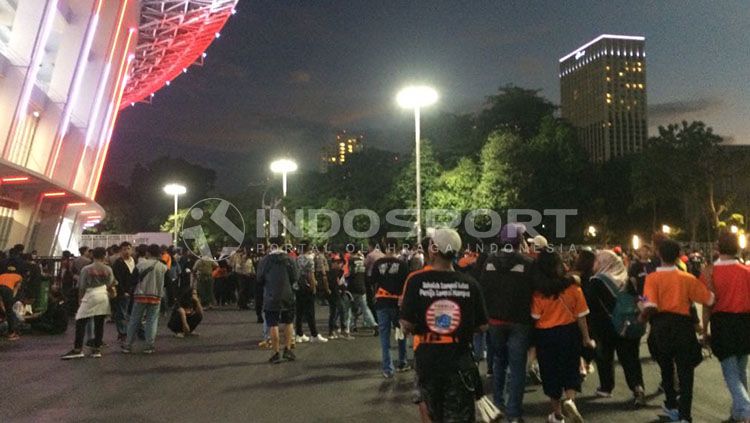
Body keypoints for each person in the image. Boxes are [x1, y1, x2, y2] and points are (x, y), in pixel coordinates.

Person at [400, 229, 488, 423]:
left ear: (433, 249)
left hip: (428, 359)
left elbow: (406, 323)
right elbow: (482, 326)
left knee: (431, 415)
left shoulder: (416, 281)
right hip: (459, 360)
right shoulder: (470, 284)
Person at [640, 239, 715, 423]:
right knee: (686, 372)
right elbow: (709, 299)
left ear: (659, 254)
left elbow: (649, 306)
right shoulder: (687, 278)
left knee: (666, 369)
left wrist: (641, 315)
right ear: (678, 255)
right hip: (683, 327)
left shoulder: (652, 278)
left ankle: (671, 404)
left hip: (660, 326)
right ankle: (684, 415)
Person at [478, 223, 534, 422]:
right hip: (520, 321)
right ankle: (514, 413)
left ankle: (497, 405)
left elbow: (482, 289)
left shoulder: (489, 262)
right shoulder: (527, 263)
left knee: (499, 363)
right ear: (519, 240)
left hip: (495, 320)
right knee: (518, 368)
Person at [531, 249, 594, 423]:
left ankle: (557, 414)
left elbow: (535, 318)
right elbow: (582, 315)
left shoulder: (538, 293)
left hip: (546, 336)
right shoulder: (574, 287)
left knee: (551, 373)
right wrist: (586, 338)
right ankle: (571, 401)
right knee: (570, 369)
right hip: (569, 332)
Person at [702, 232, 750, 423]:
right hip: (746, 323)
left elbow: (707, 305)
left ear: (717, 248)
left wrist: (704, 330)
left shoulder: (709, 272)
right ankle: (738, 413)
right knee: (740, 369)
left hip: (722, 323)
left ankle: (745, 409)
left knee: (730, 371)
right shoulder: (746, 271)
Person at [588, 250, 646, 405]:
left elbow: (592, 306)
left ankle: (606, 387)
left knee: (605, 357)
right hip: (627, 324)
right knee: (631, 358)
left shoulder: (596, 281)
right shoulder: (625, 277)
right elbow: (637, 298)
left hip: (605, 327)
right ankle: (637, 387)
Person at [61, 247, 116, 359]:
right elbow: (111, 283)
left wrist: (80, 300)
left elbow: (81, 286)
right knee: (99, 323)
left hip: (90, 294)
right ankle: (96, 349)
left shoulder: (86, 269)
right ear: (104, 256)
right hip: (103, 294)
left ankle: (78, 349)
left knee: (81, 321)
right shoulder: (108, 269)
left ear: (92, 255)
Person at [372, 237, 410, 378]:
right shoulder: (402, 264)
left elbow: (371, 281)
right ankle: (402, 361)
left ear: (384, 247)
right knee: (400, 333)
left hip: (381, 302)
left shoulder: (378, 264)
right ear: (397, 248)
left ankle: (388, 368)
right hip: (397, 304)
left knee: (384, 336)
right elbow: (407, 284)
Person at [257, 239, 299, 364]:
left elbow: (259, 278)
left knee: (273, 324)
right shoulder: (289, 260)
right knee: (288, 322)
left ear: (271, 245)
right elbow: (295, 277)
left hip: (271, 295)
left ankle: (276, 353)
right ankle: (287, 349)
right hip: (287, 295)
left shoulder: (265, 261)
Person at [122, 244, 168, 354]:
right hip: (156, 296)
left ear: (148, 253)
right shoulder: (163, 267)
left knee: (134, 320)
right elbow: (167, 283)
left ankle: (128, 345)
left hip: (140, 296)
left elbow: (133, 281)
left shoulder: (140, 265)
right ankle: (149, 346)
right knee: (151, 321)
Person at [294, 246, 327, 343]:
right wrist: (314, 288)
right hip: (307, 287)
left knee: (299, 311)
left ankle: (299, 333)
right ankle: (314, 334)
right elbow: (310, 274)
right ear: (309, 249)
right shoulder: (310, 260)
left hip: (299, 287)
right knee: (310, 312)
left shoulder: (297, 259)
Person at [347, 248, 378, 335]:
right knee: (365, 308)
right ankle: (374, 324)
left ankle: (351, 325)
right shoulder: (363, 260)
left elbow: (351, 273)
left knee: (351, 307)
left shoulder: (351, 260)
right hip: (362, 286)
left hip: (353, 287)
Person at [112, 241, 137, 343]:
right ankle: (122, 333)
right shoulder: (118, 263)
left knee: (131, 312)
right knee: (122, 312)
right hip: (123, 292)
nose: (126, 251)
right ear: (120, 251)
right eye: (124, 249)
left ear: (131, 250)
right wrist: (122, 291)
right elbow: (117, 279)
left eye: (128, 248)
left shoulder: (134, 261)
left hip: (134, 291)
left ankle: (128, 332)